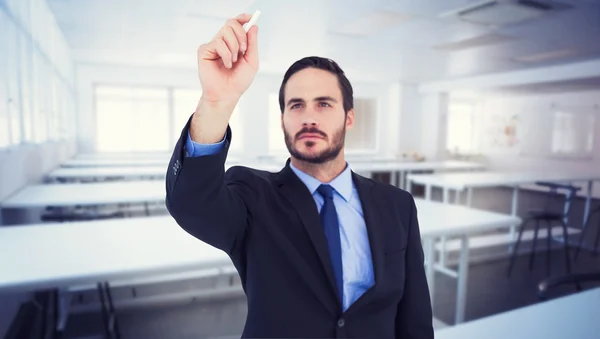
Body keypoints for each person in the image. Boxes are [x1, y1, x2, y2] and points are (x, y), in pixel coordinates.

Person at [165, 12, 433, 339]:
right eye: (296, 105)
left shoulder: (397, 205)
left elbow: (414, 319)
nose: (309, 117)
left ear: (349, 118)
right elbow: (191, 203)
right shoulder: (253, 197)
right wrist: (217, 102)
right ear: (282, 121)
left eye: (324, 104)